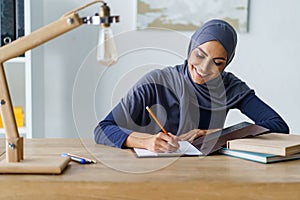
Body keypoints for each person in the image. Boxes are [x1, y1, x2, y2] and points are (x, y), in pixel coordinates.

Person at [94, 19, 289, 153]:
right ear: (190, 48)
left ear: (227, 63)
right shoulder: (156, 82)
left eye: (218, 62)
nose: (204, 68)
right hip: (152, 171)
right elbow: (103, 129)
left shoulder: (230, 87)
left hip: (207, 174)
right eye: (200, 55)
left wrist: (216, 134)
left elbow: (278, 127)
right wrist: (145, 142)